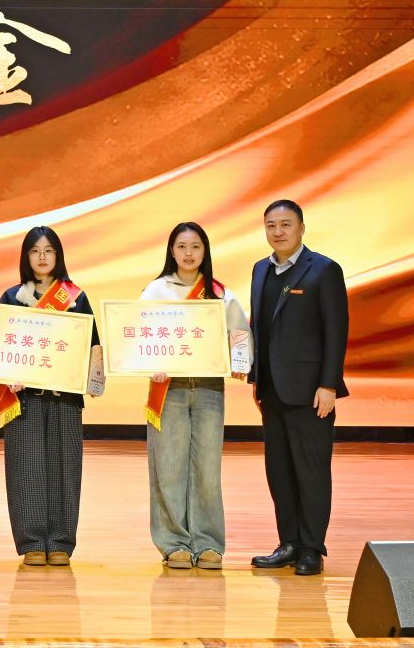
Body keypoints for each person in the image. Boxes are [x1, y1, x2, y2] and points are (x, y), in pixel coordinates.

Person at [141, 221, 251, 570]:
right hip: (168, 388)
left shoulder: (219, 294)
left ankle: (208, 543)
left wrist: (240, 362)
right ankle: (173, 542)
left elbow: (239, 335)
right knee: (169, 467)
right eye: (182, 247)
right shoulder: (156, 291)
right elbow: (138, 338)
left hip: (208, 388)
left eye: (195, 247)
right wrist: (151, 364)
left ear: (205, 252)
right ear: (171, 251)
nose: (188, 254)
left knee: (207, 469)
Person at [247, 199, 348, 576]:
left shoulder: (323, 269)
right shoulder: (260, 269)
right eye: (271, 226)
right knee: (280, 472)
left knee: (311, 471)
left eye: (286, 224)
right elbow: (260, 328)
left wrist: (328, 384)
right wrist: (255, 377)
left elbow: (336, 331)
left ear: (301, 228)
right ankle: (288, 543)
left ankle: (311, 548)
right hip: (271, 390)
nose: (278, 232)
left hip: (310, 392)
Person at [0, 226, 105, 567]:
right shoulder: (11, 298)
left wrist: (94, 379)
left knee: (64, 468)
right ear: (25, 257)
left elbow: (93, 346)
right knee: (25, 468)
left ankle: (60, 542)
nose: (42, 257)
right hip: (24, 399)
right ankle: (31, 542)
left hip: (65, 398)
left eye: (48, 251)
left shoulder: (76, 298)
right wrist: (7, 374)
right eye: (35, 251)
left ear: (58, 255)